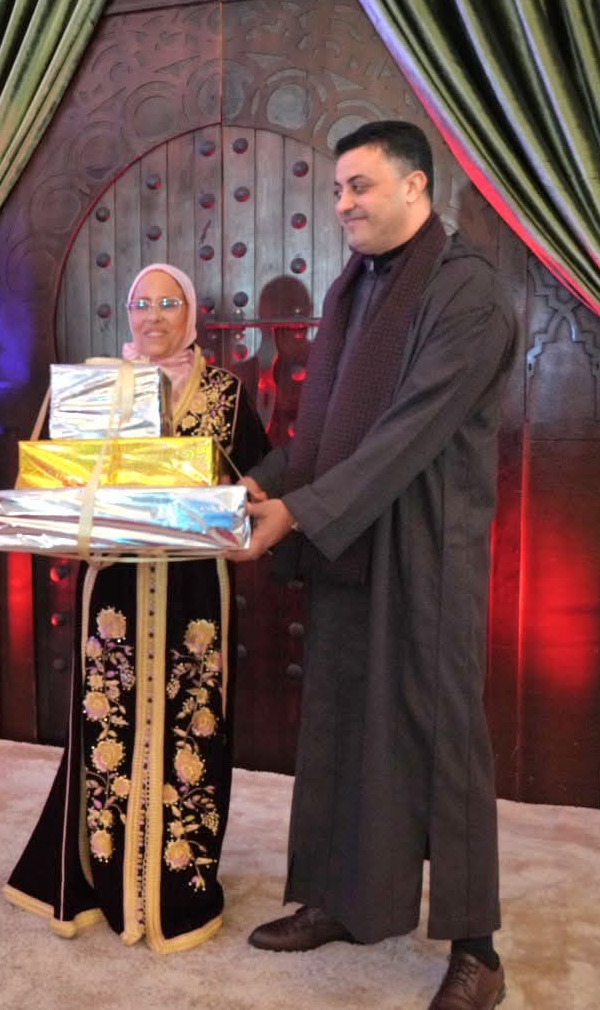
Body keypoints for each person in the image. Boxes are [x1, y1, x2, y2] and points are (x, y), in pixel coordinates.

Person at [229, 120, 516, 1010]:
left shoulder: (469, 293)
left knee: (443, 743)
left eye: (360, 186)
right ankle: (343, 901)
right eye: (338, 190)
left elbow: (406, 433)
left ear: (416, 186)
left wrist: (298, 512)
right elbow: (327, 429)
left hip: (426, 546)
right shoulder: (356, 284)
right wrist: (268, 480)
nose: (343, 204)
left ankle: (478, 951)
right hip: (348, 535)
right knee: (341, 722)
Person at [6, 262, 268, 953]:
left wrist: (242, 495)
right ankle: (104, 878)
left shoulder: (225, 393)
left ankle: (182, 890)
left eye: (168, 302)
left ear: (191, 313)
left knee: (195, 726)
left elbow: (259, 479)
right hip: (114, 586)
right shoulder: (99, 388)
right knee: (107, 726)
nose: (152, 316)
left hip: (197, 590)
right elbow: (50, 477)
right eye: (140, 303)